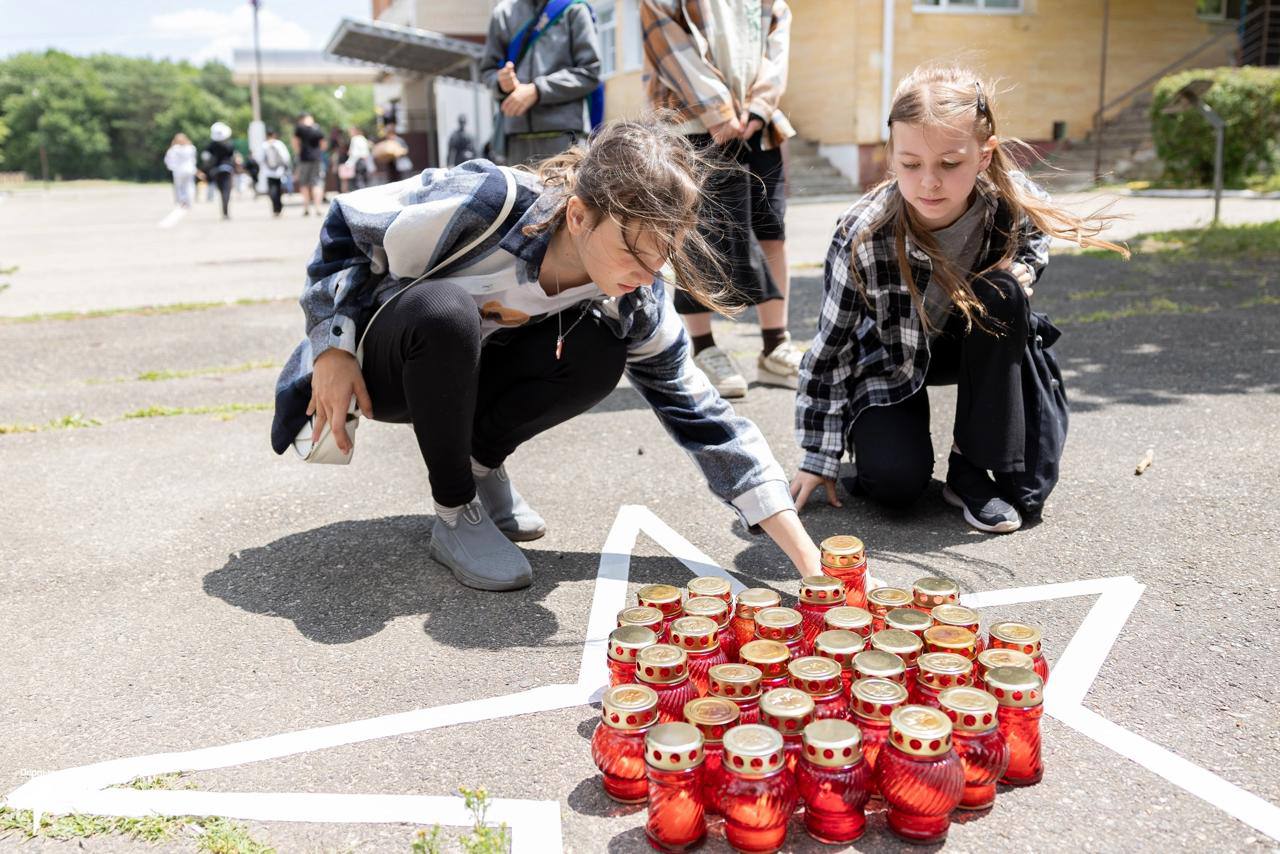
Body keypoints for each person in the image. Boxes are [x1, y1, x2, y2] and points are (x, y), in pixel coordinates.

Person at [271, 116, 824, 592]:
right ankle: (455, 509)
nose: (648, 274)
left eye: (664, 256)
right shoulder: (485, 203)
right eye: (634, 251)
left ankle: (477, 464)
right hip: (388, 367)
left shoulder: (640, 290)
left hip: (471, 377)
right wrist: (331, 348)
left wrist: (808, 559)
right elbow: (346, 226)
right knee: (447, 311)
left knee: (599, 352)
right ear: (580, 216)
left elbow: (703, 414)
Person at [791, 65, 1128, 534]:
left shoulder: (1008, 199)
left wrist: (1024, 271)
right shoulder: (862, 232)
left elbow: (1035, 239)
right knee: (894, 486)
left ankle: (970, 467)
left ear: (984, 156)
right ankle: (877, 448)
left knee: (1004, 293)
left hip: (973, 344)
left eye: (949, 164)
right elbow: (830, 350)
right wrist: (817, 454)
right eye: (910, 164)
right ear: (891, 155)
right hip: (894, 359)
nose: (929, 182)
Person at [641, 0, 803, 400]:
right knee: (698, 238)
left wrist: (759, 107)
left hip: (759, 123)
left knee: (771, 232)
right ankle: (704, 348)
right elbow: (669, 45)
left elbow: (776, 47)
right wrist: (717, 109)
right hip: (693, 123)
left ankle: (774, 344)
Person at [482, 0, 602, 166]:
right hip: (516, 140)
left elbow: (590, 72)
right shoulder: (503, 13)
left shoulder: (573, 9)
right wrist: (501, 83)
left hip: (564, 138)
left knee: (564, 192)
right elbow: (488, 71)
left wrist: (537, 91)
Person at [199, 122, 236, 220]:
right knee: (226, 191)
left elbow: (205, 157)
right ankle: (225, 211)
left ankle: (224, 211)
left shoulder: (211, 145)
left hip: (216, 170)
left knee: (221, 191)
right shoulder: (229, 144)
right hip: (227, 170)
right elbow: (232, 155)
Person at [293, 113, 327, 216]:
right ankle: (318, 208)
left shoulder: (299, 128)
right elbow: (323, 145)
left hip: (304, 159)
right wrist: (318, 153)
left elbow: (295, 143)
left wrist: (299, 153)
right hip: (317, 159)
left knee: (304, 184)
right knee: (317, 183)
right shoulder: (317, 128)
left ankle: (306, 207)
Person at [261, 129, 293, 217]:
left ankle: (275, 208)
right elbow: (286, 157)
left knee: (272, 191)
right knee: (278, 190)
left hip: (268, 172)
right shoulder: (279, 144)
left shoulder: (264, 145)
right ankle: (278, 206)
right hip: (279, 171)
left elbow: (260, 159)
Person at [163, 133, 197, 208]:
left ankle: (182, 200)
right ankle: (189, 201)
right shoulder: (191, 148)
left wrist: (171, 167)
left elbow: (168, 159)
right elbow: (193, 160)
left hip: (178, 170)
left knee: (179, 187)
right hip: (189, 170)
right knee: (189, 185)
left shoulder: (174, 149)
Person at [345, 126, 372, 190]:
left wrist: (349, 163)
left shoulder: (354, 139)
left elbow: (354, 153)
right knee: (364, 180)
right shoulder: (363, 138)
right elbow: (366, 152)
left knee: (359, 180)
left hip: (358, 161)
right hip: (364, 161)